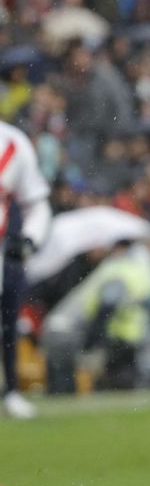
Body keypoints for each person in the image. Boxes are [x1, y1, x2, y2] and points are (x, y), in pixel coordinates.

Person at [0, 122, 51, 421]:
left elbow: (37, 204)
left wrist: (29, 238)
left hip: (3, 248)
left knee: (9, 320)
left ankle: (12, 390)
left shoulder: (13, 142)